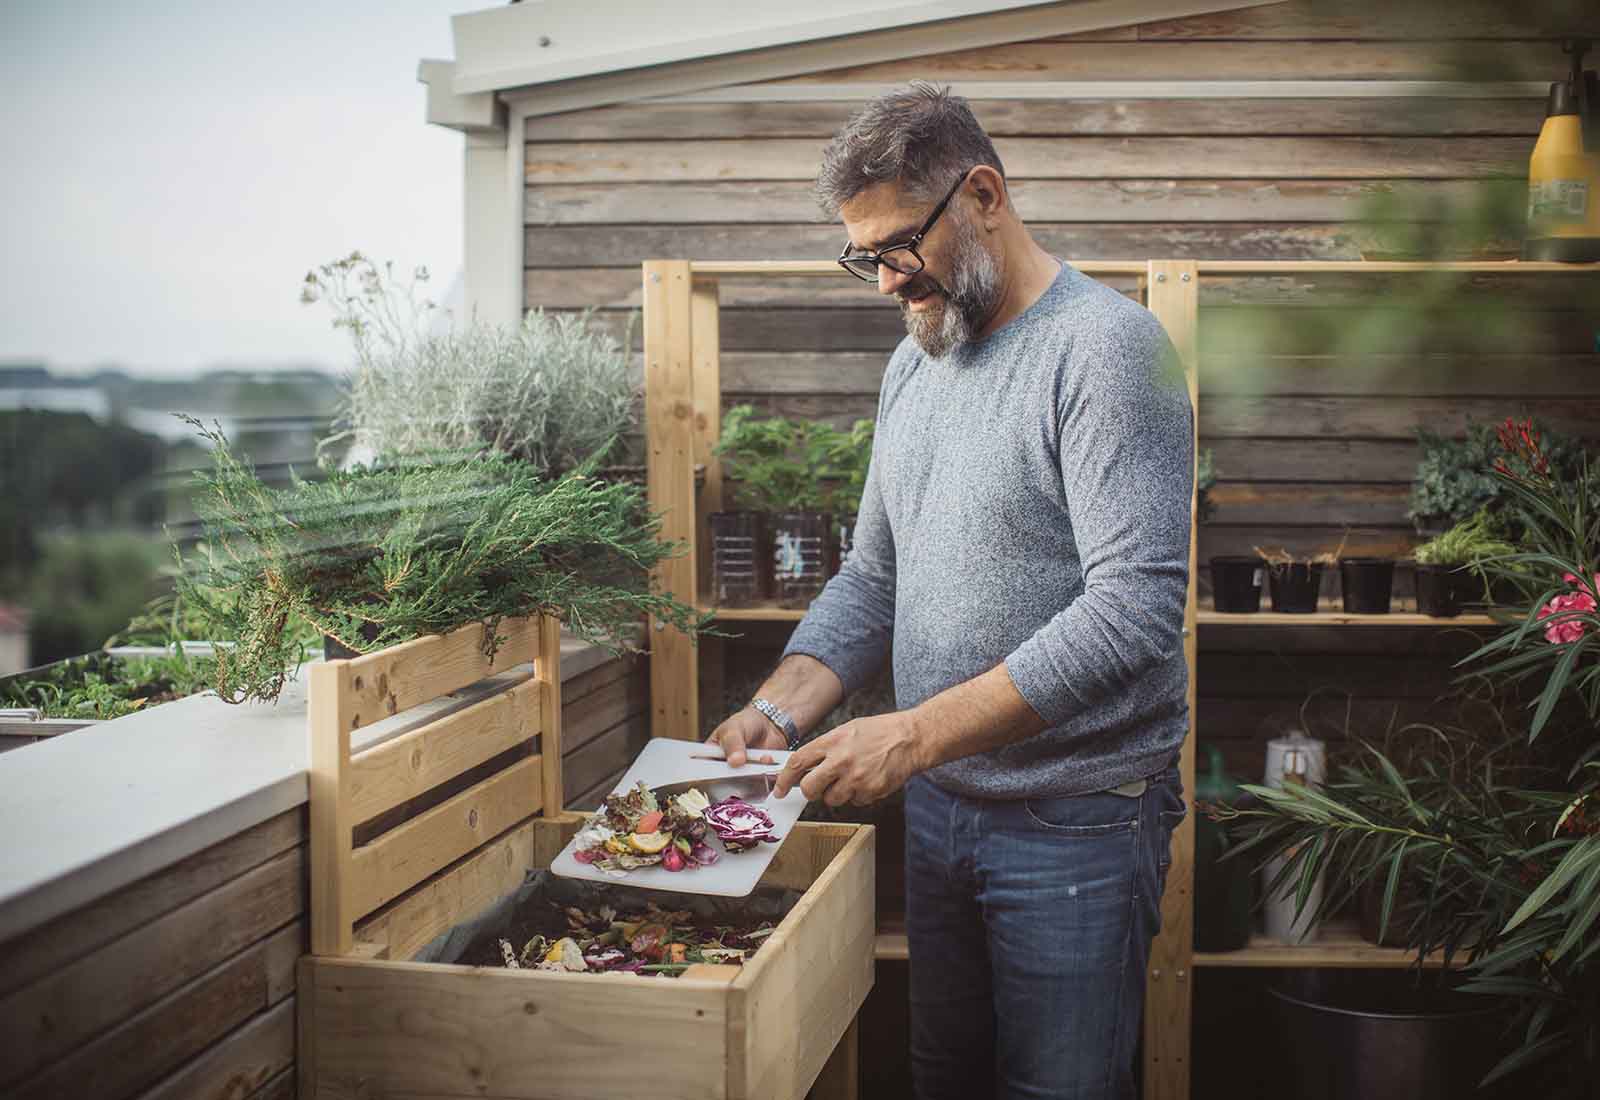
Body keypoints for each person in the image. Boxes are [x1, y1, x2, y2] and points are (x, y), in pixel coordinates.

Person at [707, 82, 1192, 1100]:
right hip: (941, 811)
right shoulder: (914, 362)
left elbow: (1135, 610)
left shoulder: (1105, 350)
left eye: (897, 246)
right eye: (863, 256)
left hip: (1076, 820)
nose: (884, 279)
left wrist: (913, 733)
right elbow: (876, 570)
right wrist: (775, 707)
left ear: (982, 195)